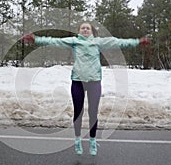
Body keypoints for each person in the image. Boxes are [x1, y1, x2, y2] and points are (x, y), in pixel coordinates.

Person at [22, 22, 150, 156]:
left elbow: (118, 42)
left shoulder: (98, 42)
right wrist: (36, 39)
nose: (85, 29)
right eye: (82, 28)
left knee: (93, 114)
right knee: (78, 112)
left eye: (87, 28)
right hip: (78, 81)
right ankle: (77, 140)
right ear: (79, 31)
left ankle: (92, 141)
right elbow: (55, 41)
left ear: (92, 32)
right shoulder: (74, 41)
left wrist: (137, 42)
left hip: (94, 82)